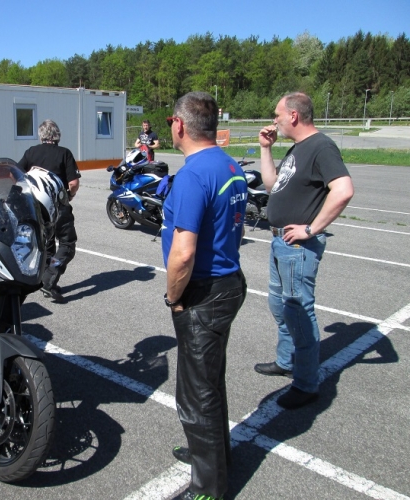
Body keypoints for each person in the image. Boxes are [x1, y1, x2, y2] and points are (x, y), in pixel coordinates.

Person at [162, 92, 247, 500]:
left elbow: (183, 254)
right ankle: (211, 455)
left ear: (180, 125)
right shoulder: (229, 165)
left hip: (204, 292)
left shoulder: (193, 175)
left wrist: (173, 298)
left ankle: (209, 488)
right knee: (210, 382)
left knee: (196, 395)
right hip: (228, 283)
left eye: (170, 123)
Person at [255, 92, 354, 409]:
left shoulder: (321, 147)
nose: (275, 120)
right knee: (280, 306)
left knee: (298, 312)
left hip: (299, 246)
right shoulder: (297, 148)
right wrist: (266, 149)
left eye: (277, 115)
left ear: (293, 116)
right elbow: (272, 186)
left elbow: (343, 190)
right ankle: (286, 361)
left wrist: (311, 229)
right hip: (280, 242)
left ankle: (306, 384)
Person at [17, 119, 80, 303]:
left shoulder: (31, 152)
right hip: (58, 205)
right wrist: (69, 196)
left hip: (36, 207)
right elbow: (73, 183)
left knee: (48, 244)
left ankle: (46, 279)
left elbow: (17, 174)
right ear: (57, 135)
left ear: (41, 135)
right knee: (67, 244)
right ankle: (49, 278)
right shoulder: (64, 153)